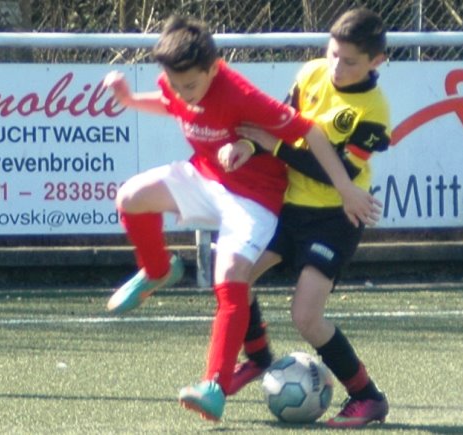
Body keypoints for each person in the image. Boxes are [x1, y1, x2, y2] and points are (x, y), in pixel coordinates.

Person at [102, 15, 380, 422]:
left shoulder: (241, 95)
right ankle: (159, 271)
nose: (183, 94)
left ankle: (214, 385)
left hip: (259, 200)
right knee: (130, 197)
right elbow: (171, 102)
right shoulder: (180, 81)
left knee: (238, 279)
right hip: (209, 178)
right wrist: (129, 100)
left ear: (214, 69)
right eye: (175, 84)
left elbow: (309, 133)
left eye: (190, 86)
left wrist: (345, 188)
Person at [229, 8, 391, 428]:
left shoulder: (374, 111)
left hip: (335, 219)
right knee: (236, 277)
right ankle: (258, 357)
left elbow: (338, 173)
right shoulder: (312, 73)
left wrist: (274, 146)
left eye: (350, 61)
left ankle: (367, 397)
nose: (336, 67)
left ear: (377, 61)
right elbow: (279, 124)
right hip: (289, 209)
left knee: (306, 317)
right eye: (333, 53)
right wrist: (250, 146)